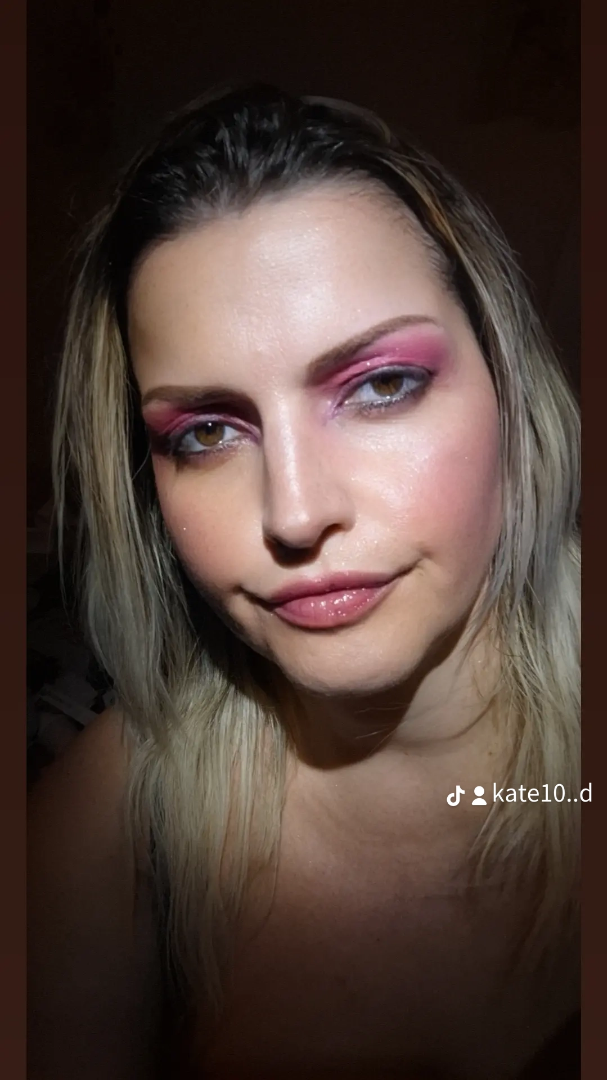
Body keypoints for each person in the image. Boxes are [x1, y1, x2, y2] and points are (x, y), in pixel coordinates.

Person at [28, 83, 580, 1079]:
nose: (293, 513)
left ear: (507, 385)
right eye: (207, 431)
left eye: (380, 386)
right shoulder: (104, 834)